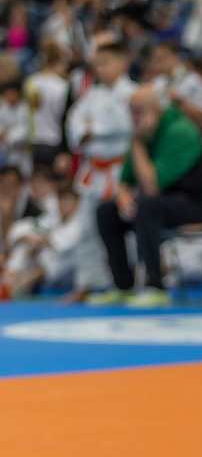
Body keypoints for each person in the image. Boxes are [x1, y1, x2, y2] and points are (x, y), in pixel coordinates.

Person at [89, 87, 202, 307]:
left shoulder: (180, 131)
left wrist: (137, 142)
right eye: (131, 111)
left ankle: (156, 287)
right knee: (107, 212)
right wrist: (123, 198)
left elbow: (151, 186)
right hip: (167, 203)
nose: (134, 118)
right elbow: (124, 182)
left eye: (139, 111)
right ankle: (123, 285)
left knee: (147, 207)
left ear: (155, 110)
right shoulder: (145, 135)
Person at [65, 41, 137, 302]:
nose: (101, 69)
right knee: (86, 228)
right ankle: (88, 282)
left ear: (123, 63)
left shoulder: (133, 93)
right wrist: (88, 129)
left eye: (106, 63)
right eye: (98, 64)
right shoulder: (92, 95)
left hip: (120, 170)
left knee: (123, 229)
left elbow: (123, 125)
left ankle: (129, 282)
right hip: (94, 169)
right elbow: (73, 122)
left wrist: (91, 128)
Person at [3, 180, 80, 296]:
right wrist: (31, 239)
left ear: (77, 202)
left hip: (69, 272)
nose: (63, 204)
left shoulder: (81, 222)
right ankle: (10, 279)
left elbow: (63, 246)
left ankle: (24, 282)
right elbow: (28, 227)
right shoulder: (53, 218)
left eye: (68, 200)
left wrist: (43, 241)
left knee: (54, 255)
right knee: (26, 243)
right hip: (46, 272)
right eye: (61, 199)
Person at [147, 41, 202, 131]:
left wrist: (180, 102)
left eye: (163, 58)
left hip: (188, 132)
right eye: (156, 60)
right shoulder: (158, 82)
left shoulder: (193, 80)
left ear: (177, 57)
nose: (158, 64)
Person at [24, 40, 70, 170]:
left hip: (35, 141)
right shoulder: (62, 86)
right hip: (54, 140)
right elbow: (64, 116)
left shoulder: (30, 81)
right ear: (59, 62)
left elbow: (28, 113)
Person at [0, 79, 31, 177]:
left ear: (18, 94)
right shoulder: (3, 108)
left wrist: (7, 136)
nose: (9, 97)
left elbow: (25, 131)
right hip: (5, 150)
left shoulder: (26, 109)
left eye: (12, 94)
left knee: (23, 175)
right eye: (7, 94)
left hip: (21, 151)